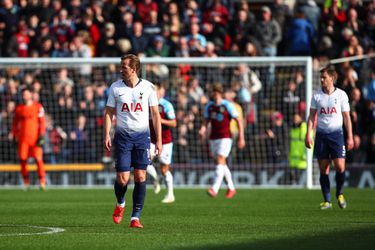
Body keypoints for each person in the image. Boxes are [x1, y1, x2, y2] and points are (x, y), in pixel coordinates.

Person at [104, 54, 162, 228]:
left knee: (140, 175)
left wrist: (158, 139)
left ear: (134, 69)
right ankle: (120, 202)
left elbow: (155, 115)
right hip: (122, 138)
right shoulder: (115, 88)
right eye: (121, 66)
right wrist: (106, 134)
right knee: (122, 179)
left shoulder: (148, 87)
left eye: (124, 67)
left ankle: (135, 217)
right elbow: (108, 113)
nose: (121, 70)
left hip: (142, 138)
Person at [305, 65, 353, 210]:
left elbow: (347, 117)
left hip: (336, 135)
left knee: (340, 166)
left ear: (332, 78)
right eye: (321, 77)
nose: (321, 80)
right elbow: (312, 116)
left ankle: (339, 193)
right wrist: (309, 134)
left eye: (324, 77)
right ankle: (327, 200)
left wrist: (350, 136)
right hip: (321, 135)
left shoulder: (341, 95)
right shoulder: (316, 96)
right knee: (323, 168)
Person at [199, 83, 245, 199]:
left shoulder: (227, 105)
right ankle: (231, 187)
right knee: (221, 163)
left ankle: (214, 189)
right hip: (213, 138)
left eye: (214, 92)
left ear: (218, 93)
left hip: (225, 137)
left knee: (220, 159)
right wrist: (203, 129)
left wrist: (241, 137)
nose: (212, 95)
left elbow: (238, 120)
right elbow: (206, 120)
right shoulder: (209, 106)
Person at [147, 83, 177, 203]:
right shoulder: (147, 103)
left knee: (164, 169)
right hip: (150, 139)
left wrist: (160, 120)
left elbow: (174, 123)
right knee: (143, 161)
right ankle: (155, 178)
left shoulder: (166, 105)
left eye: (158, 90)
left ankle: (170, 194)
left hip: (165, 141)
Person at [12, 87, 46, 190]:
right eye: (23, 94)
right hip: (23, 140)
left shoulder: (38, 107)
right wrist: (14, 135)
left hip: (35, 139)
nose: (25, 96)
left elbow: (42, 122)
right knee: (23, 159)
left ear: (31, 95)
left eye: (26, 94)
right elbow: (15, 124)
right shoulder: (19, 109)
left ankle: (42, 182)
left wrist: (42, 135)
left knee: (38, 159)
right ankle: (26, 183)